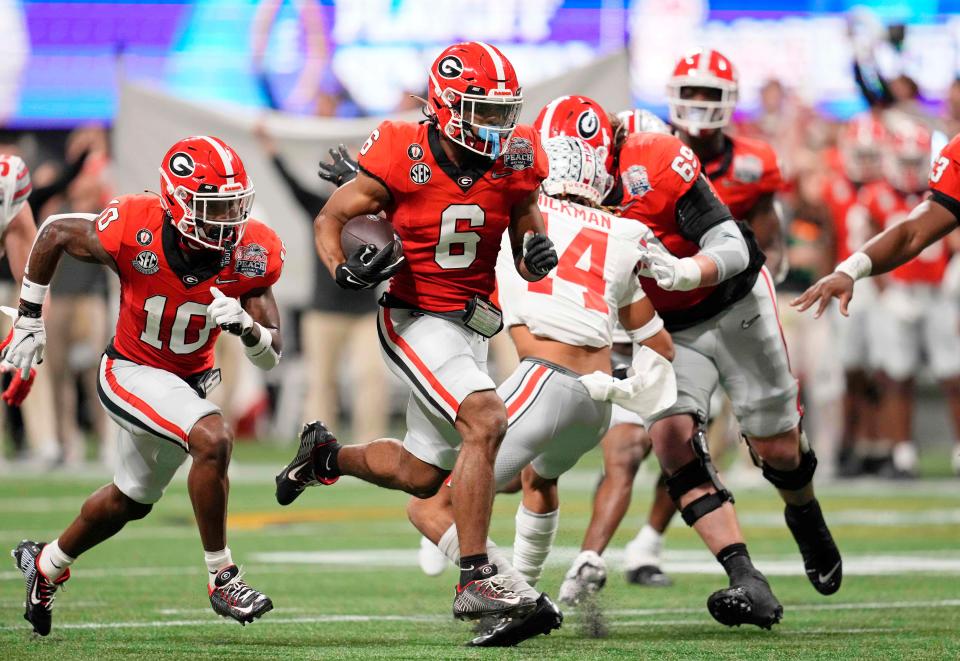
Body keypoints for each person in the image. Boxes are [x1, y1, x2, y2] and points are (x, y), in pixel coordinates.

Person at [274, 42, 559, 622]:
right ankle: (477, 577)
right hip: (415, 314)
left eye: (505, 111)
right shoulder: (401, 148)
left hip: (472, 320)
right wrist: (342, 269)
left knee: (422, 472)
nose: (499, 125)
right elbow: (330, 217)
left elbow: (525, 221)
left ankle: (326, 458)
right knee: (486, 418)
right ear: (449, 106)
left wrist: (534, 250)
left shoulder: (518, 156)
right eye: (484, 110)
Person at [8, 136, 284, 636]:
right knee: (213, 436)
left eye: (232, 206)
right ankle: (223, 577)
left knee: (129, 500)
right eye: (213, 208)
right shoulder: (135, 226)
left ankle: (45, 565)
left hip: (186, 384)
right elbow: (51, 233)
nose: (227, 221)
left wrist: (248, 328)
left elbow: (271, 355)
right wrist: (29, 318)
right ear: (177, 203)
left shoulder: (252, 251)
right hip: (129, 372)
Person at [406, 134, 675, 646]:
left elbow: (448, 229)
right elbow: (660, 344)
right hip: (598, 402)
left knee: (428, 505)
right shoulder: (620, 232)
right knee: (538, 479)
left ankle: (521, 598)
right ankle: (521, 597)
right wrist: (640, 385)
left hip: (547, 382)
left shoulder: (512, 212)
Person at [857, 117, 960, 477]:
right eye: (906, 163)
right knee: (896, 375)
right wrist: (884, 294)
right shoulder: (875, 195)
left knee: (954, 373)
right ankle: (901, 453)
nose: (912, 171)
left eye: (918, 163)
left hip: (938, 292)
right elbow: (866, 246)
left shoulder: (941, 191)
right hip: (896, 293)